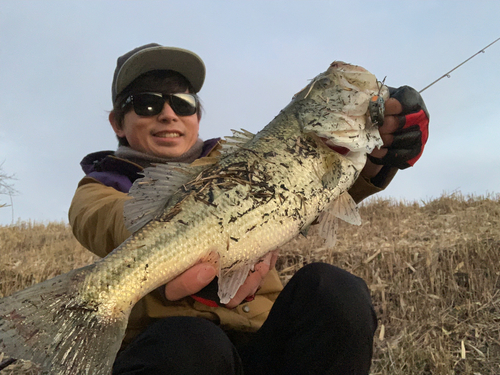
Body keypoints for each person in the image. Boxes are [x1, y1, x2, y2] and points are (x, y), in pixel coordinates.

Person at [69, 43, 429, 375]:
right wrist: (189, 238)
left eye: (182, 103)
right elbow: (109, 221)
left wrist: (385, 154)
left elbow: (317, 190)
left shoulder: (243, 154)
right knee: (190, 344)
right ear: (117, 122)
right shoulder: (101, 185)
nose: (167, 114)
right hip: (173, 355)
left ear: (196, 115)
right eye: (147, 103)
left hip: (262, 345)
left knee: (334, 291)